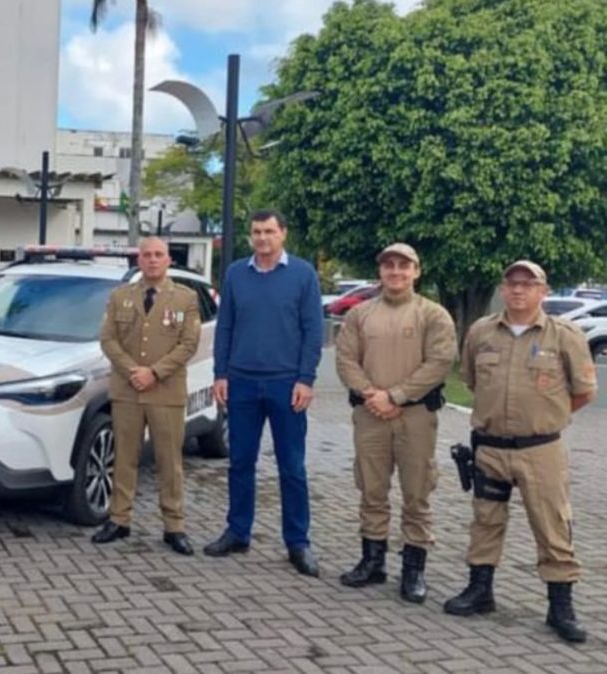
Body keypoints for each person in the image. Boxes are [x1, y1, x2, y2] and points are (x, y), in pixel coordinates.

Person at [444, 260, 597, 643]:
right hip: (490, 448)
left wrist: (546, 418)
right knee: (485, 521)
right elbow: (473, 381)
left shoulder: (565, 335)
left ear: (543, 291)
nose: (518, 290)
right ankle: (481, 591)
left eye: (528, 285)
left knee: (553, 526)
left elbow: (583, 391)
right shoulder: (481, 332)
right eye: (512, 283)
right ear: (503, 288)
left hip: (540, 450)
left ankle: (559, 607)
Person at [203, 209, 324, 576]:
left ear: (283, 234)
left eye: (269, 231)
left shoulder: (303, 275)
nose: (262, 238)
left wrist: (306, 379)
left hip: (286, 385)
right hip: (240, 383)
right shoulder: (237, 274)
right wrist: (220, 373)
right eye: (256, 232)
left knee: (292, 466)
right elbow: (225, 328)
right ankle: (238, 531)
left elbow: (313, 331)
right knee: (240, 462)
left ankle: (297, 543)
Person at [334, 243, 456, 602]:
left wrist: (396, 396)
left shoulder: (433, 315)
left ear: (417, 271)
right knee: (371, 489)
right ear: (380, 271)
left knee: (417, 493)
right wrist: (372, 394)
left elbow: (438, 363)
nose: (396, 272)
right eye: (389, 266)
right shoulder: (360, 315)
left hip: (415, 416)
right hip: (370, 415)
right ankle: (372, 561)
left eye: (404, 266)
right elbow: (345, 361)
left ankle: (413, 569)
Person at [92, 237, 200, 555]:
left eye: (158, 255)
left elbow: (188, 344)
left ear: (169, 260)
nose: (152, 260)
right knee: (125, 458)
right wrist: (132, 370)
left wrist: (153, 372)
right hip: (127, 390)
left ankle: (174, 526)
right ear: (139, 260)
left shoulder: (185, 298)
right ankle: (119, 519)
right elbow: (108, 339)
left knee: (169, 461)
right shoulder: (119, 296)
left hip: (165, 391)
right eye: (146, 255)